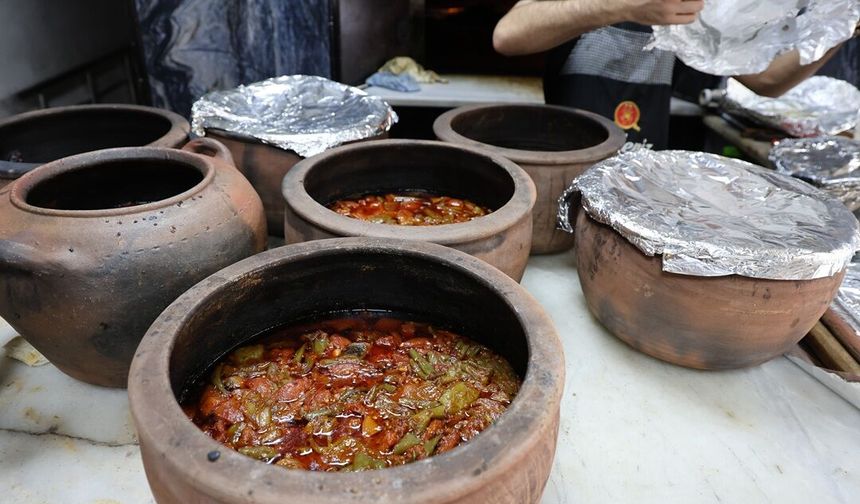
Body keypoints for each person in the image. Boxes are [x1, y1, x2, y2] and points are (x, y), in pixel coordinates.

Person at [492, 0, 843, 148]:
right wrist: (625, 5)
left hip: (641, 181)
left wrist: (844, 22)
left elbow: (766, 80)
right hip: (564, 162)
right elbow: (508, 35)